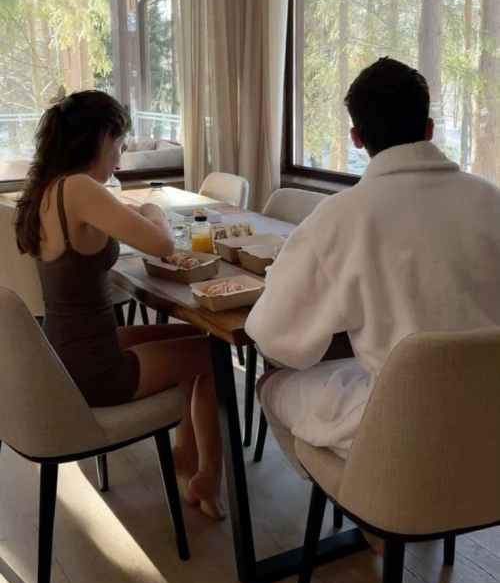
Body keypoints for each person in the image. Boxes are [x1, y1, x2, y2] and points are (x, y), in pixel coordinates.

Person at [246, 57, 500, 474]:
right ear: (429, 129)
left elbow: (276, 341)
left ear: (356, 138)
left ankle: (360, 500)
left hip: (406, 427)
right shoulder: (490, 199)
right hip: (490, 419)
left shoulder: (340, 217)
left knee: (273, 384)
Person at [15, 89, 224, 520]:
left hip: (66, 353)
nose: (119, 156)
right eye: (120, 143)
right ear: (101, 137)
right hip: (96, 370)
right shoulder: (78, 188)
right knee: (212, 354)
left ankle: (186, 456)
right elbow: (162, 244)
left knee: (194, 335)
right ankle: (208, 475)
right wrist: (151, 208)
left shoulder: (48, 188)